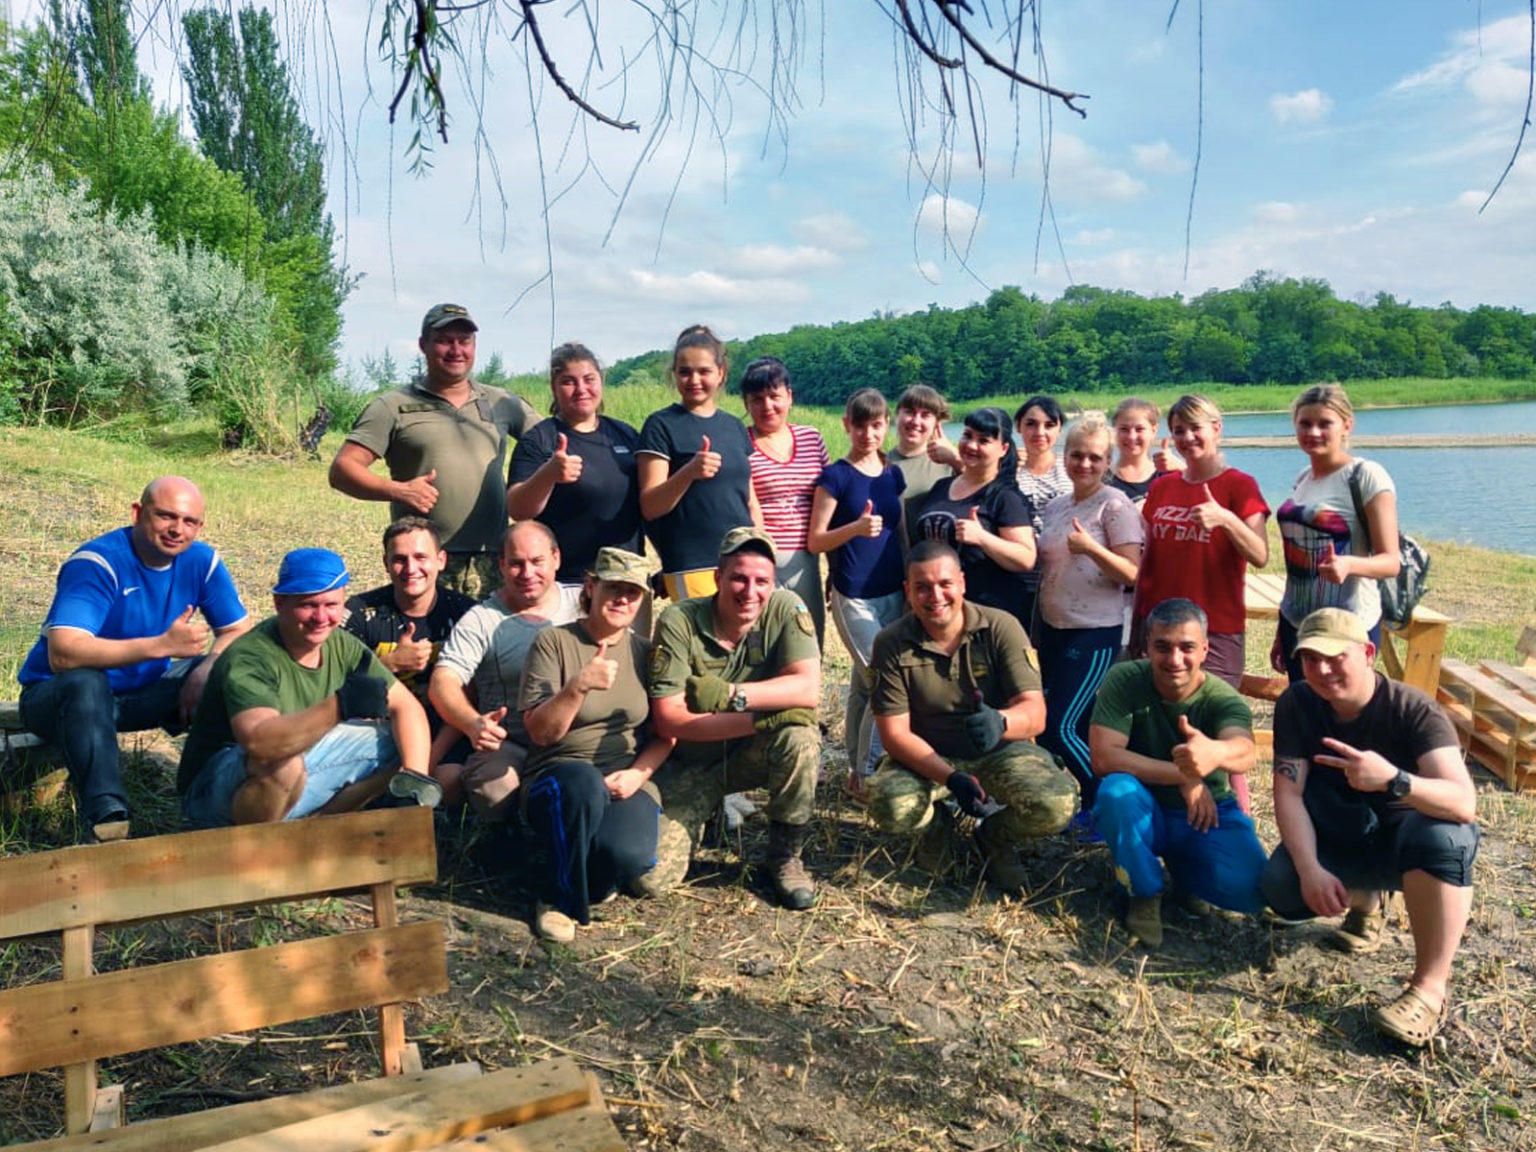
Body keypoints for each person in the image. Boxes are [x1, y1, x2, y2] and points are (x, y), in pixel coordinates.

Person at [1262, 608, 1478, 1048]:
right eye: (1309, 658)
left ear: (1368, 653)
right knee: (1280, 888)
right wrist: (1309, 870)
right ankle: (1364, 902)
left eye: (1335, 657)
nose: (1321, 670)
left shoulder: (1414, 711)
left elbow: (1464, 803)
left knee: (1446, 837)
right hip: (1346, 834)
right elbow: (1288, 793)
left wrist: (1394, 780)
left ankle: (1429, 989)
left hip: (1406, 845)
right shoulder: (1298, 703)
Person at [17, 476, 252, 841]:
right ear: (138, 513)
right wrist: (161, 645)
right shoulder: (97, 563)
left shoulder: (202, 561)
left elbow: (238, 631)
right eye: (166, 516)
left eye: (189, 522)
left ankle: (213, 806)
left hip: (139, 693)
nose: (177, 530)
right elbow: (63, 653)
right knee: (86, 681)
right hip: (58, 699)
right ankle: (106, 819)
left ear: (200, 526)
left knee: (233, 673)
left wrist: (208, 666)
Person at [866, 542, 1076, 893]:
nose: (935, 596)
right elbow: (895, 736)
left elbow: (1036, 713)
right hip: (930, 757)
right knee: (890, 805)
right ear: (908, 591)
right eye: (922, 587)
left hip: (1000, 750)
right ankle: (937, 832)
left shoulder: (1000, 627)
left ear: (962, 582)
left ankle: (994, 839)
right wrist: (952, 778)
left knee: (1057, 803)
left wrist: (1001, 722)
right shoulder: (891, 642)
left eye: (945, 584)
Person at [178, 548, 436, 828]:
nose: (321, 617)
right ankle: (255, 854)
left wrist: (414, 780)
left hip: (296, 770)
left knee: (402, 742)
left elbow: (406, 707)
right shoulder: (250, 656)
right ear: (279, 603)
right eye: (309, 605)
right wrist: (339, 706)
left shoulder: (340, 644)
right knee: (283, 764)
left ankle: (313, 832)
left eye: (331, 605)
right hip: (215, 794)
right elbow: (261, 745)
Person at [647, 527, 822, 910]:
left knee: (799, 738)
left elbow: (807, 690)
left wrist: (731, 696)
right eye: (739, 578)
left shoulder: (785, 608)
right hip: (692, 762)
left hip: (749, 757)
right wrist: (765, 717)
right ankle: (708, 812)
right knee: (650, 878)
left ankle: (785, 855)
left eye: (762, 581)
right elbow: (668, 720)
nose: (750, 591)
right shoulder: (680, 620)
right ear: (717, 578)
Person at [517, 548, 676, 943]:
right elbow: (540, 734)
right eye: (613, 588)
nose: (622, 599)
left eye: (633, 592)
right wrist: (578, 687)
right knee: (581, 785)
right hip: (559, 774)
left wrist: (639, 775)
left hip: (623, 776)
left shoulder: (645, 652)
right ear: (591, 588)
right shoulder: (554, 643)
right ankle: (557, 898)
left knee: (632, 856)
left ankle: (585, 870)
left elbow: (665, 733)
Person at [1088, 598, 1267, 948]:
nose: (1174, 660)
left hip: (1206, 811)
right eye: (1162, 647)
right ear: (1145, 648)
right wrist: (1184, 775)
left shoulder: (1222, 698)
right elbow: (1104, 758)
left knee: (1252, 893)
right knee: (1115, 793)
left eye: (1186, 648)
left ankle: (1187, 875)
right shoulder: (1124, 679)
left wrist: (1215, 752)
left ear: (1204, 649)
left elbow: (1245, 751)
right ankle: (1144, 892)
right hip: (1144, 805)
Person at [330, 303, 539, 597]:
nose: (456, 350)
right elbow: (343, 469)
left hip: (493, 558)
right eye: (444, 340)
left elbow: (551, 443)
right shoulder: (393, 406)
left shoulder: (502, 402)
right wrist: (398, 490)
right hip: (425, 560)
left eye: (464, 341)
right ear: (423, 345)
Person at [1131, 395, 1269, 812]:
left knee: (1219, 726)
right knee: (1163, 724)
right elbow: (1146, 557)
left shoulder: (1238, 485)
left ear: (1216, 428)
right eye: (1179, 430)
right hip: (1158, 628)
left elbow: (1260, 554)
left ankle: (1235, 818)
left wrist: (1226, 519)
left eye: (1197, 428)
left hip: (1215, 628)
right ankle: (1174, 815)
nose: (1188, 437)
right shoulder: (1164, 487)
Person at [1035, 414, 1143, 833]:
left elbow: (1132, 574)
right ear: (1065, 456)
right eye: (1077, 455)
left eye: (1095, 457)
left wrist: (1090, 549)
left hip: (1095, 630)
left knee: (1061, 726)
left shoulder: (1116, 506)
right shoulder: (1057, 505)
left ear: (1108, 460)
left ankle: (1102, 803)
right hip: (1054, 626)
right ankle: (1084, 806)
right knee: (1064, 727)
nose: (1084, 464)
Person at [429, 520, 579, 816]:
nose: (527, 574)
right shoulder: (482, 619)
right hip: (511, 743)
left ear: (556, 558)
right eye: (516, 564)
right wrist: (473, 724)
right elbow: (443, 682)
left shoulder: (584, 602)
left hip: (577, 739)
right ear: (500, 565)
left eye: (537, 562)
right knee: (494, 791)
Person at [807, 388, 907, 792]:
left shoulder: (891, 472)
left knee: (864, 682)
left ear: (887, 425)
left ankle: (853, 767)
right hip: (853, 594)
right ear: (847, 425)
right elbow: (816, 540)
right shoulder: (836, 476)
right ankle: (867, 774)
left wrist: (910, 577)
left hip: (894, 592)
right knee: (886, 678)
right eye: (860, 424)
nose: (868, 433)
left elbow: (898, 529)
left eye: (877, 424)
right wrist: (855, 529)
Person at [506, 343, 645, 618]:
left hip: (626, 581)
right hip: (568, 584)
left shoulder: (626, 435)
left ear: (601, 382)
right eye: (568, 381)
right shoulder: (540, 439)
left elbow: (648, 504)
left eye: (589, 379)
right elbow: (518, 509)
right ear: (554, 387)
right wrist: (549, 474)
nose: (581, 389)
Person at [1273, 384, 1400, 683]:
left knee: (1344, 719)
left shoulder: (1365, 476)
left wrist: (1348, 565)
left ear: (1346, 425)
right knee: (1305, 716)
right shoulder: (1303, 478)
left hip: (1345, 627)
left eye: (1324, 423)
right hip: (1298, 624)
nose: (1313, 432)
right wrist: (1282, 632)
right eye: (1305, 423)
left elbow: (1390, 562)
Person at [638, 325, 760, 601]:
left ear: (721, 374)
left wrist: (762, 548)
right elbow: (650, 505)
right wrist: (689, 472)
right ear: (675, 375)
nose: (694, 379)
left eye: (703, 371)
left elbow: (749, 500)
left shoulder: (734, 427)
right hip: (692, 564)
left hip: (742, 560)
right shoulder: (661, 425)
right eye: (685, 371)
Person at [343, 517, 475, 763]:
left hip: (446, 733)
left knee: (450, 779)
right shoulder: (360, 613)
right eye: (400, 559)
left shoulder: (467, 614)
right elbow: (336, 690)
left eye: (420, 557)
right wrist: (389, 664)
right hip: (376, 733)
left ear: (441, 560)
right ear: (386, 563)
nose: (411, 568)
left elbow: (475, 695)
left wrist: (428, 762)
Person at [909, 407, 1037, 630]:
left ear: (1003, 448)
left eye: (983, 440)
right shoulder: (942, 486)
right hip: (938, 610)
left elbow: (1026, 558)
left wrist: (982, 538)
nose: (971, 445)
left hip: (987, 616)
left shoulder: (1005, 497)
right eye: (967, 436)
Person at [743, 356, 830, 644]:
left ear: (789, 397)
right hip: (763, 556)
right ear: (746, 404)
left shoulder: (811, 437)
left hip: (807, 559)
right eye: (757, 399)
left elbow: (832, 499)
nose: (767, 406)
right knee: (765, 639)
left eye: (774, 396)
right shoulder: (740, 443)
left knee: (810, 635)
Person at [889, 384, 957, 522]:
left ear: (937, 423)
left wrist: (956, 459)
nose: (916, 421)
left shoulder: (949, 463)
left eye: (925, 415)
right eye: (909, 412)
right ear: (897, 415)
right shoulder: (879, 464)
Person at [1106, 397, 1166, 507]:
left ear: (1154, 430)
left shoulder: (1166, 476)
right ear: (1115, 430)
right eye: (1124, 429)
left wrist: (1181, 469)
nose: (1132, 437)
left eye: (1139, 429)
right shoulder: (1102, 480)